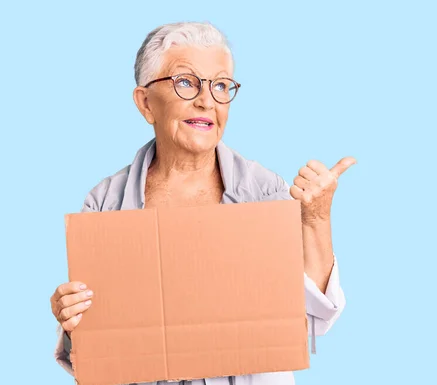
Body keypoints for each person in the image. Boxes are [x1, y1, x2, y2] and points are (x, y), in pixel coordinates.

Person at [49, 21, 355, 385]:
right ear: (146, 103)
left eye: (221, 85)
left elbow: (313, 320)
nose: (207, 100)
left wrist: (316, 218)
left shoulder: (264, 192)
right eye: (186, 82)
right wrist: (73, 323)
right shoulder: (105, 204)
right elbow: (95, 359)